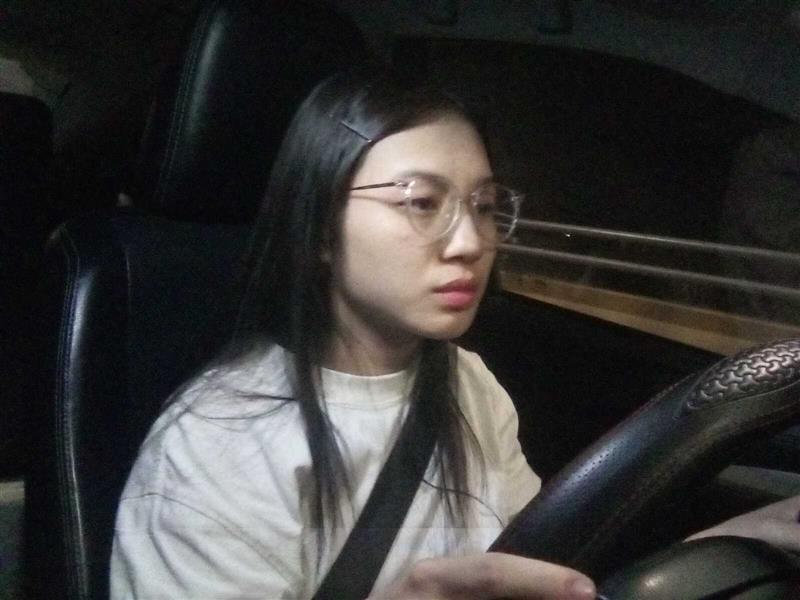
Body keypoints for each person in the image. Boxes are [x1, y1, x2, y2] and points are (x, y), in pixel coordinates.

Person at [110, 69, 800, 599]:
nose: (470, 241)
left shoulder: (468, 381)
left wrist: (732, 541)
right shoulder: (215, 446)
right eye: (421, 203)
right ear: (318, 226)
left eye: (486, 206)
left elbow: (546, 560)